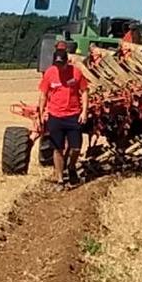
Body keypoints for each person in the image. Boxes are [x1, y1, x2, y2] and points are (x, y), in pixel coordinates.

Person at [38, 44, 89, 190]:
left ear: (67, 61)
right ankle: (60, 179)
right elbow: (43, 94)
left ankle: (71, 167)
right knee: (57, 149)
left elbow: (84, 91)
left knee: (76, 148)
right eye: (57, 64)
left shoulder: (76, 73)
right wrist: (42, 112)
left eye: (62, 64)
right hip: (55, 116)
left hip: (73, 115)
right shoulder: (49, 73)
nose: (60, 67)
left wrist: (84, 111)